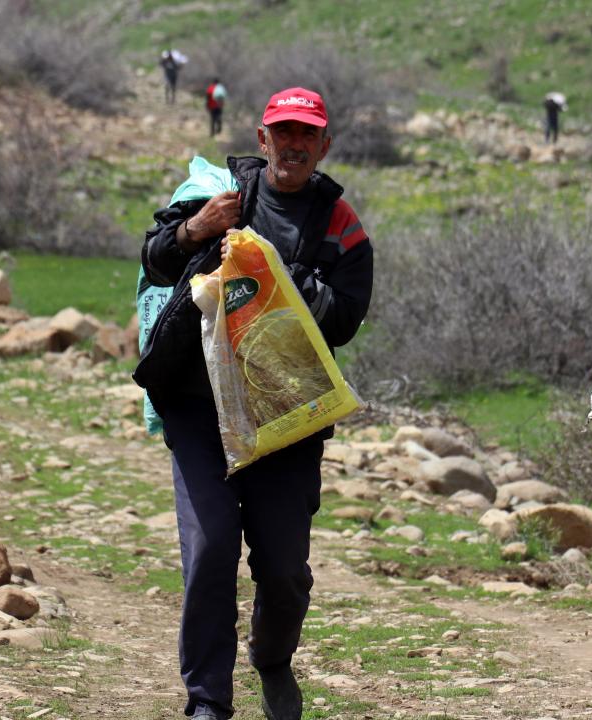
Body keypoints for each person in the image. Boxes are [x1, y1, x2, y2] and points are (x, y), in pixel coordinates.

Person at [133, 87, 374, 720]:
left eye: (307, 135)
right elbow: (154, 262)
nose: (294, 145)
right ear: (262, 139)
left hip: (287, 415)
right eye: (282, 132)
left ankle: (272, 659)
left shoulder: (342, 225)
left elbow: (345, 320)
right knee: (211, 548)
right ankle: (207, 700)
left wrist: (277, 273)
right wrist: (195, 230)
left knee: (286, 569)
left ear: (324, 146)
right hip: (198, 403)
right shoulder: (216, 191)